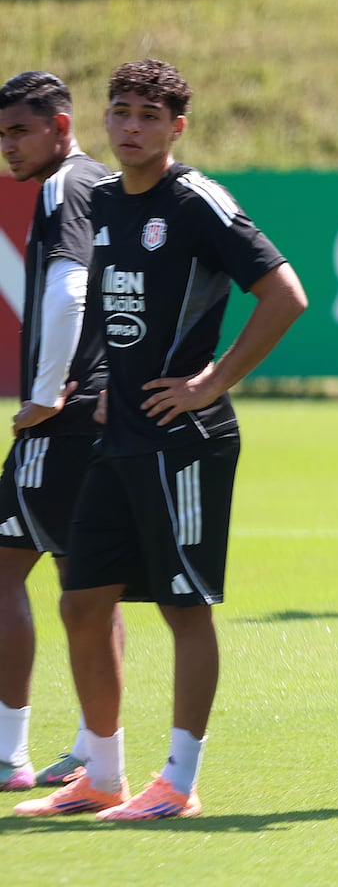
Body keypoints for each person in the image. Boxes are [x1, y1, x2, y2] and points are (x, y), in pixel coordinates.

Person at [14, 59, 307, 820]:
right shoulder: (105, 200)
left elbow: (285, 294)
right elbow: (120, 311)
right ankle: (103, 774)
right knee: (82, 603)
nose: (132, 127)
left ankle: (178, 781)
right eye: (121, 112)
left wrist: (212, 381)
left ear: (177, 127)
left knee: (184, 609)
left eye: (149, 116)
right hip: (119, 438)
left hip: (187, 439)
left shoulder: (197, 200)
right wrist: (111, 382)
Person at [0, 71, 117, 792]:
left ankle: (8, 752)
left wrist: (44, 395)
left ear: (62, 127)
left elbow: (70, 289)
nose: (8, 146)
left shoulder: (62, 188)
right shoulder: (107, 183)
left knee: (6, 572)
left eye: (20, 130)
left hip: (64, 422)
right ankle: (89, 749)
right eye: (2, 134)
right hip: (103, 417)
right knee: (88, 584)